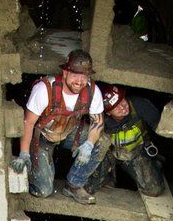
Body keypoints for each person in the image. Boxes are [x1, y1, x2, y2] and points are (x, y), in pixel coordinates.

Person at [10, 49, 105, 204]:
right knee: (44, 190)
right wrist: (24, 153)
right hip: (43, 138)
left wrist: (88, 145)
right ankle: (34, 175)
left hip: (69, 132)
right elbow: (28, 122)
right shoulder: (45, 89)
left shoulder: (92, 91)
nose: (79, 81)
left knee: (101, 142)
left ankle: (74, 185)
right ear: (65, 73)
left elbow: (98, 122)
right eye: (75, 75)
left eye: (84, 76)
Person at [85, 84, 165, 197]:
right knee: (89, 187)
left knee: (154, 190)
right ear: (108, 112)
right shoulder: (99, 117)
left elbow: (163, 129)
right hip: (108, 153)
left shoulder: (139, 106)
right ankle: (107, 177)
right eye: (116, 107)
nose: (123, 108)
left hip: (135, 152)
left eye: (123, 102)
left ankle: (155, 166)